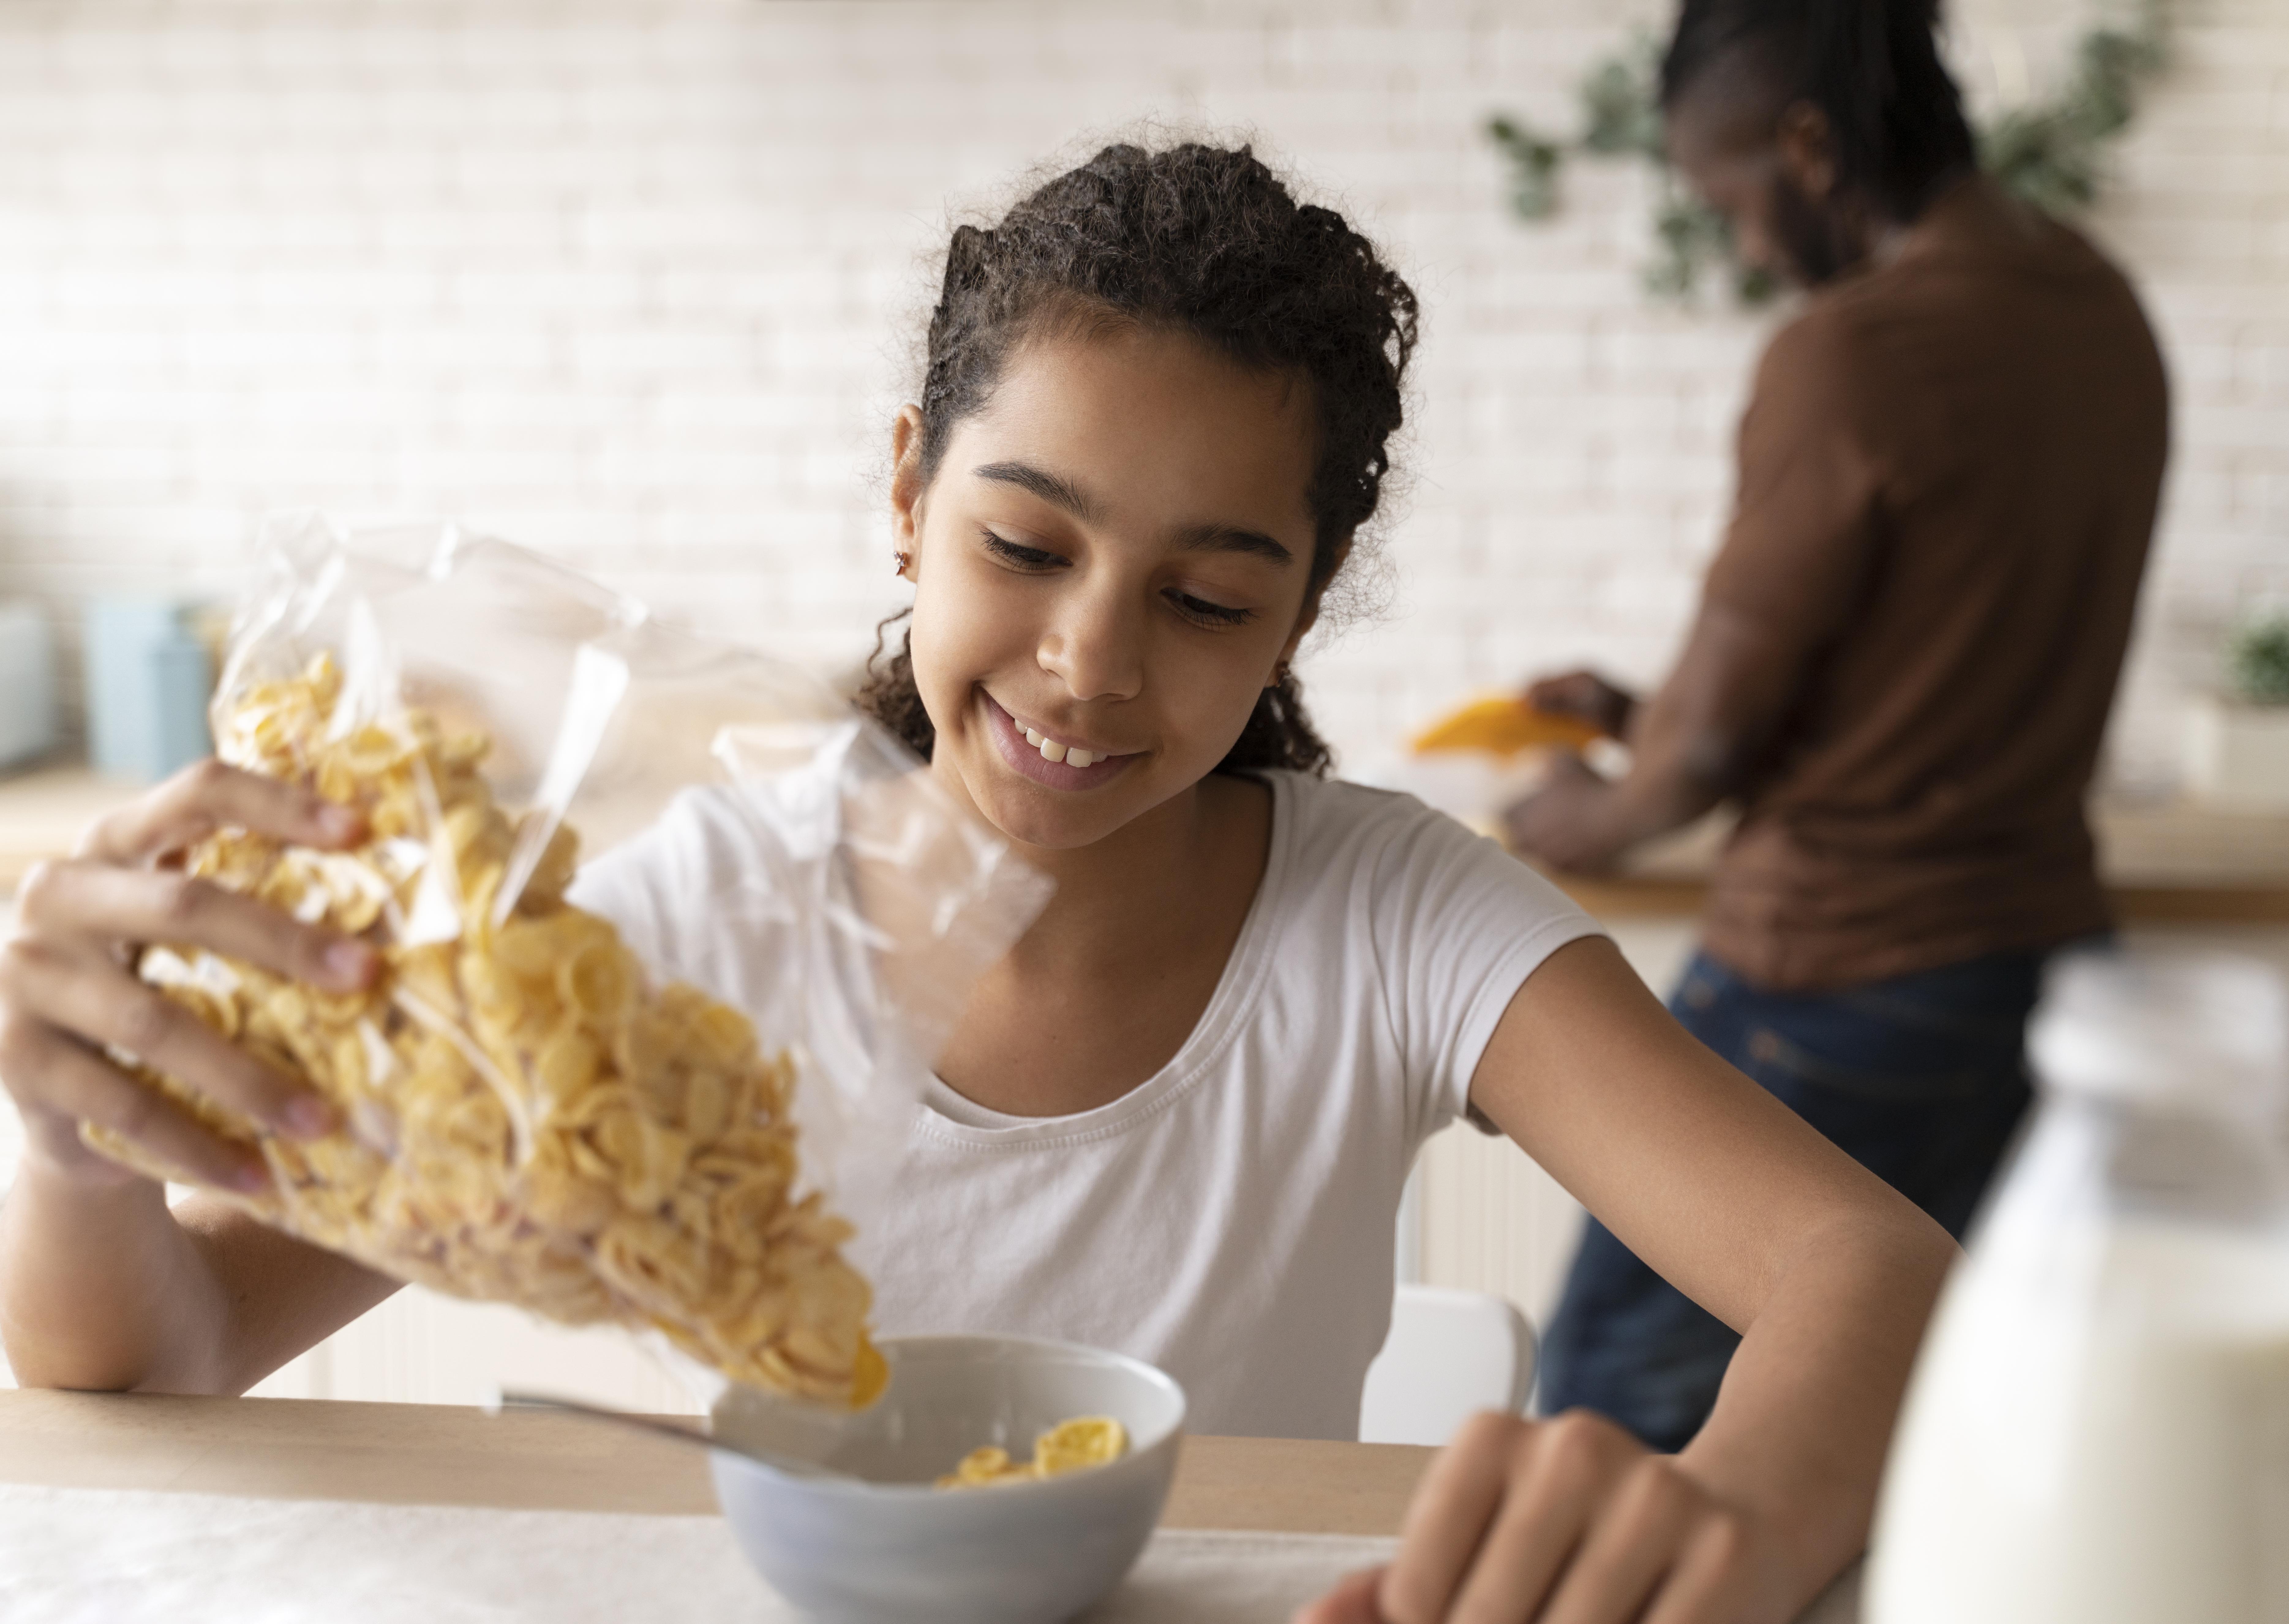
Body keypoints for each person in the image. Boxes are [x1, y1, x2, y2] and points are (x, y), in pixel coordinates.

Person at [0, 141, 1955, 1623]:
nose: (1092, 662)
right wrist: (78, 1140)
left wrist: (1748, 1505)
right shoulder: (682, 927)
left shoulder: (1392, 920)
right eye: (1025, 544)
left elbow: (1868, 1264)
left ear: (1300, 614)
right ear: (912, 495)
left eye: (1203, 597)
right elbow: (161, 1346)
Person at [1506, 0, 2169, 1457]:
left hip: (1839, 986)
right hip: (2038, 978)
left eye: (1727, 196)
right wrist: (1646, 711)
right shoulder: (2101, 309)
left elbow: (1703, 761)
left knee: (1611, 1416)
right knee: (1947, 1426)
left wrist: (1575, 816)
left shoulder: (1854, 356)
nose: (1741, 242)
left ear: (1808, 149)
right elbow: (1937, 661)